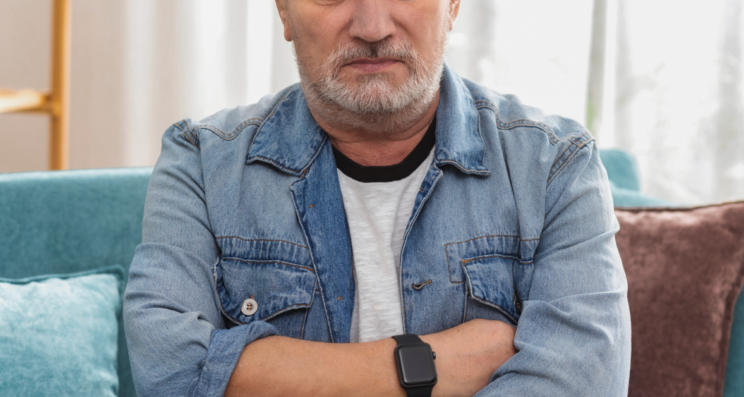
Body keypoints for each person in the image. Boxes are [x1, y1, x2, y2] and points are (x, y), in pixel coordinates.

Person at [123, 0, 632, 396]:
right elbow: (168, 375)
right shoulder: (199, 163)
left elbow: (583, 384)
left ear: (452, 4)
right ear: (283, 10)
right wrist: (427, 366)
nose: (372, 26)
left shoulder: (556, 168)